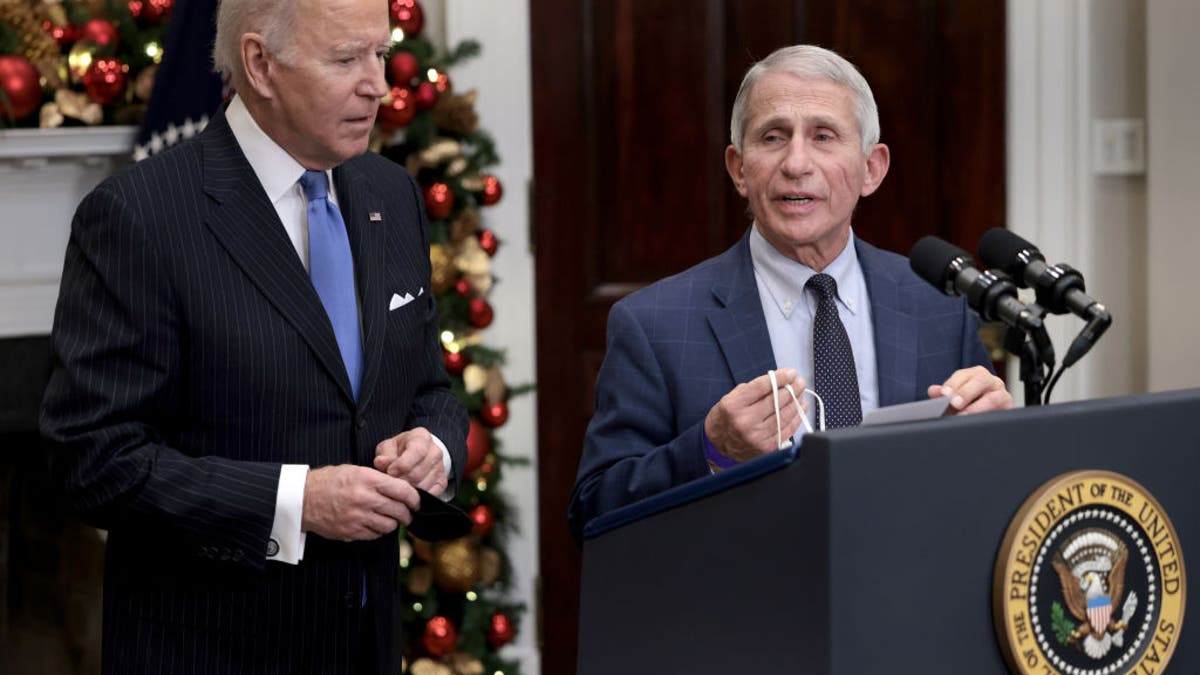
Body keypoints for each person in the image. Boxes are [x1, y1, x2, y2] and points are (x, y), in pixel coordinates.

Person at [38, 0, 467, 672]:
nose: (379, 85)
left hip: (367, 643)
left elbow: (429, 387)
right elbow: (93, 460)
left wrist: (434, 443)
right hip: (211, 648)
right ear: (260, 64)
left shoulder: (392, 193)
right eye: (346, 59)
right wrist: (294, 502)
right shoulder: (138, 217)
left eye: (380, 54)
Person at [568, 45, 1012, 540]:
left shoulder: (938, 305)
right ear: (739, 168)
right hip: (743, 607)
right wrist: (711, 449)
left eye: (824, 136)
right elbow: (594, 512)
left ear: (872, 169)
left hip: (901, 601)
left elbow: (988, 506)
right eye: (773, 137)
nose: (796, 162)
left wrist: (996, 443)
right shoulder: (654, 323)